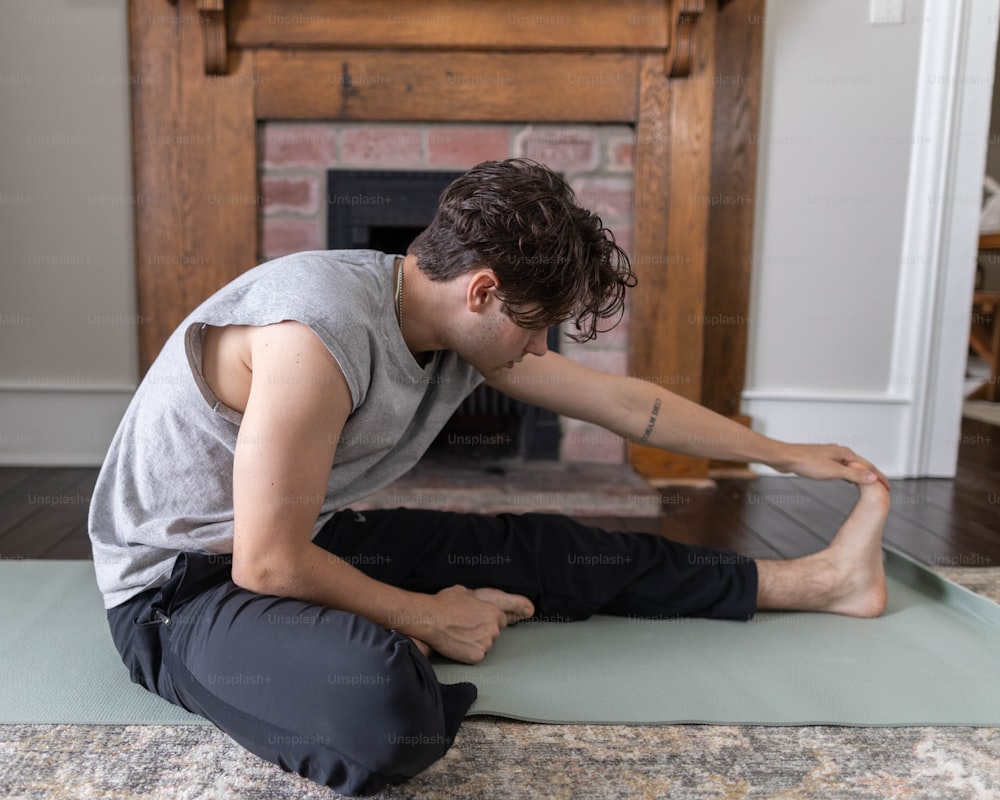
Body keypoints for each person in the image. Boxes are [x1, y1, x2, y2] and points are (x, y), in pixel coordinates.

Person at [89, 158, 891, 796]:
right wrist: (430, 618)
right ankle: (396, 648)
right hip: (179, 593)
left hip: (299, 545)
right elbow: (264, 566)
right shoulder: (314, 330)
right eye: (538, 330)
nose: (540, 353)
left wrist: (783, 452)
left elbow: (625, 403)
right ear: (484, 292)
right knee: (385, 714)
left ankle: (818, 582)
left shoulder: (456, 325)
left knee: (551, 551)